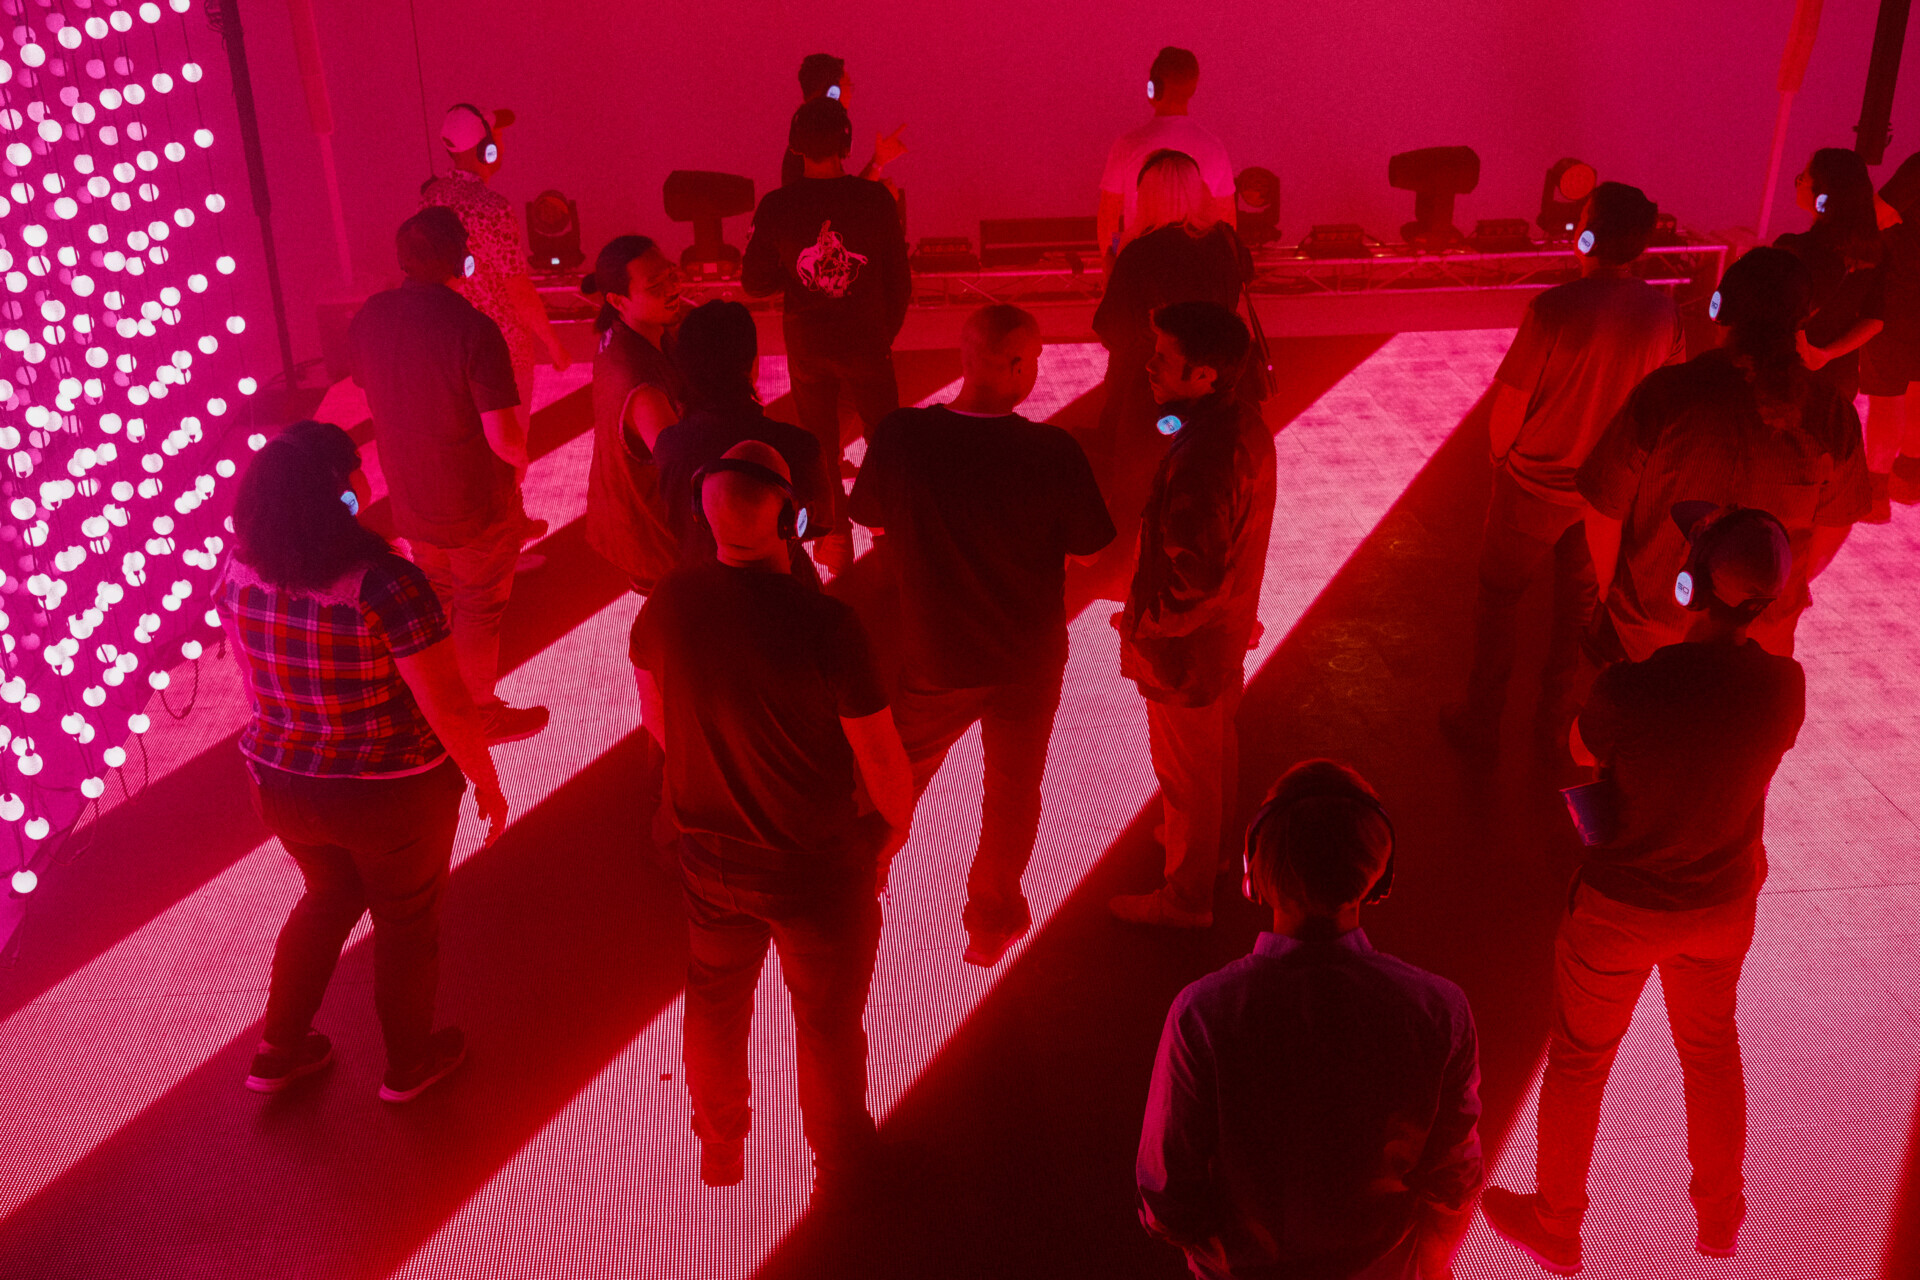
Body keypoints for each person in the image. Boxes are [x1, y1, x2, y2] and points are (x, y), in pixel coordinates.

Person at [1482, 504, 1805, 1274]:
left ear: (1690, 585)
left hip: (1620, 910)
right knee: (1711, 1052)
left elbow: (1577, 750)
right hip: (1721, 906)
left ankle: (1558, 1224)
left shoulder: (1630, 690)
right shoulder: (1784, 688)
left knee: (1579, 1062)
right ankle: (1719, 1219)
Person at [629, 440, 915, 1198]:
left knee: (715, 1003)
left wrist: (716, 766)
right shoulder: (827, 625)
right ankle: (842, 1167)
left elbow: (656, 718)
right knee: (826, 1022)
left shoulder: (669, 602)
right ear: (791, 519)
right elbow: (882, 762)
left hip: (707, 860)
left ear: (704, 515)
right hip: (813, 871)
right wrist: (889, 834)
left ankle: (721, 1145)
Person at [216, 421, 507, 1105]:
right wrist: (485, 781)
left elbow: (252, 680)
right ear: (338, 490)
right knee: (406, 923)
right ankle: (409, 1064)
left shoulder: (240, 569)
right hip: (390, 793)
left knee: (328, 896)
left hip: (283, 784)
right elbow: (447, 705)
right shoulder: (385, 584)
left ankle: (278, 1051)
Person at [1138, 760, 1482, 1280]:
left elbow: (1167, 1200)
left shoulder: (1202, 1014)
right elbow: (1453, 1178)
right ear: (1380, 876)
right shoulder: (1439, 1009)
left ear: (1254, 871)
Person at [847, 305, 1115, 965]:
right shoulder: (1053, 451)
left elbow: (872, 521)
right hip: (1029, 657)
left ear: (965, 358)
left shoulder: (903, 436)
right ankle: (990, 923)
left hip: (936, 651)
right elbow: (1090, 553)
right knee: (1012, 793)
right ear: (1019, 365)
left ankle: (856, 888)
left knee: (897, 777)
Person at [1440, 183, 1683, 761]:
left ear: (1588, 237)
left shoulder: (1551, 309)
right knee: (1577, 613)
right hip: (1606, 497)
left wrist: (1501, 459)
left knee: (1499, 600)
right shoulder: (1664, 314)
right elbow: (1667, 402)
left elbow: (1512, 400)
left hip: (1533, 487)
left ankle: (1482, 722)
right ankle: (1554, 727)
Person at [1578, 246, 1871, 665]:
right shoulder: (1832, 413)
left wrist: (1612, 592)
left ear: (1719, 307)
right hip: (1761, 641)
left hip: (1648, 632)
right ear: (1803, 320)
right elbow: (1833, 530)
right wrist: (1777, 592)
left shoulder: (1665, 394)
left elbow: (1603, 507)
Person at [348, 207, 549, 743]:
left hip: (410, 492)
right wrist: (520, 464)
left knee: (435, 595)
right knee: (480, 606)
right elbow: (503, 437)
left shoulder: (371, 316)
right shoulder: (473, 328)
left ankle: (434, 706)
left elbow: (365, 385)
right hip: (475, 499)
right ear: (464, 258)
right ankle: (478, 712)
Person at [1111, 302, 1276, 928]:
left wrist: (1143, 625)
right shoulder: (1241, 424)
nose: (1150, 366)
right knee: (1214, 755)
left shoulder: (1203, 459)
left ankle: (1186, 897)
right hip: (1223, 637)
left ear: (1205, 375)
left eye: (1164, 357)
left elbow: (1194, 583)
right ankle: (1209, 849)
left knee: (1186, 773)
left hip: (1186, 654)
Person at [743, 96, 912, 575]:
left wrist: (793, 274)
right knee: (885, 437)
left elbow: (754, 282)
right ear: (846, 143)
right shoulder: (875, 200)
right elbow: (899, 282)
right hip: (867, 341)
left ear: (795, 146)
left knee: (819, 443)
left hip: (808, 345)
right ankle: (888, 532)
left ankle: (834, 541)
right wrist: (882, 334)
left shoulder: (777, 206)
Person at [1092, 149, 1254, 546]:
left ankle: (1141, 570)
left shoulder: (1139, 253)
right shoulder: (1226, 242)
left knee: (1143, 493)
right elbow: (1242, 286)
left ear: (1146, 195)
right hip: (1215, 386)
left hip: (1150, 392)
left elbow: (1112, 330)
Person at [654, 299, 828, 580]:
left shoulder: (669, 446)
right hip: (782, 582)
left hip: (699, 586)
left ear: (683, 367)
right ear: (751, 365)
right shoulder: (799, 446)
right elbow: (818, 523)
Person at [421, 104, 573, 412]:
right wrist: (554, 345)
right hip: (503, 353)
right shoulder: (492, 207)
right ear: (486, 150)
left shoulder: (430, 199)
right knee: (513, 439)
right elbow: (518, 290)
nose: (502, 145)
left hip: (449, 350)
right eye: (498, 138)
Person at [581, 234, 686, 593]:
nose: (673, 288)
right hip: (654, 542)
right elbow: (681, 470)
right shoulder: (642, 389)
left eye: (671, 274)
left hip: (624, 522)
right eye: (656, 286)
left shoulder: (623, 330)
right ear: (617, 300)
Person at [1098, 47, 1236, 263]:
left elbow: (1109, 217)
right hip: (1198, 270)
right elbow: (1227, 223)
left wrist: (1116, 260)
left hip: (1141, 268)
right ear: (1193, 87)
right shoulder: (1215, 148)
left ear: (1153, 87)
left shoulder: (1127, 146)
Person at [1774, 148, 1885, 409]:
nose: (1797, 183)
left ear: (1822, 194)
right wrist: (1826, 354)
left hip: (1788, 378)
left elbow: (1782, 314)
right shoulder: (1874, 253)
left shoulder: (1793, 248)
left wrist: (1804, 351)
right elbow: (1875, 319)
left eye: (1803, 178)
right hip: (1840, 380)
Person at [1862, 152, 1920, 507]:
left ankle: (1875, 491)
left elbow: (1876, 215)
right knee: (1918, 390)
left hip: (1902, 296)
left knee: (1887, 399)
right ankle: (1911, 477)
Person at [779, 53, 907, 190]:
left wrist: (877, 162)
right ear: (833, 92)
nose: (851, 94)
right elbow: (843, 201)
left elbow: (842, 196)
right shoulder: (816, 148)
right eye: (848, 85)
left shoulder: (803, 143)